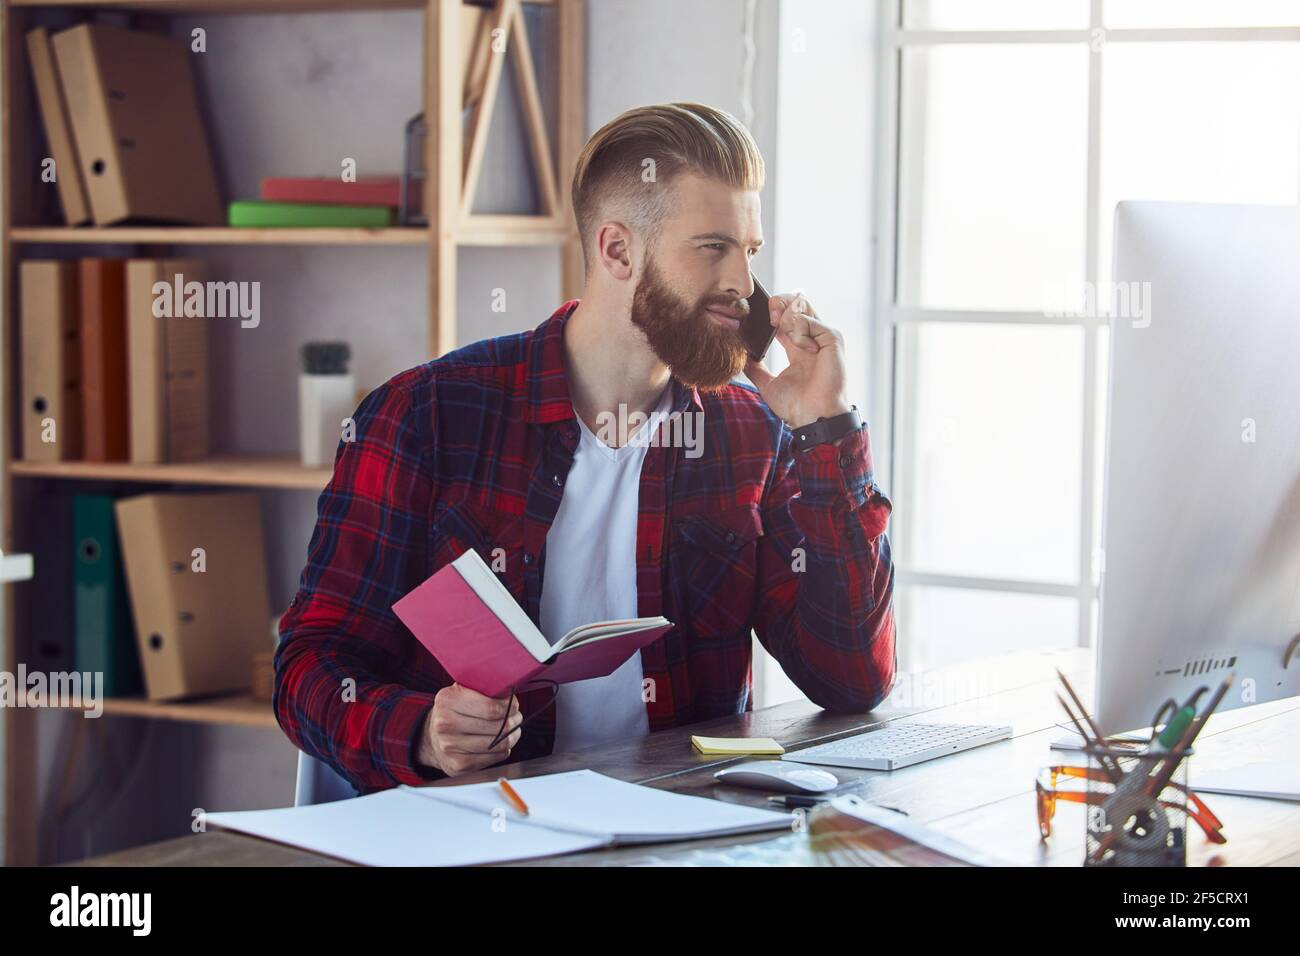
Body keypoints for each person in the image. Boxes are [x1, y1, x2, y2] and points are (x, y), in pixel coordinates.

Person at [275, 102, 896, 791]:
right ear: (617, 250)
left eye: (749, 252)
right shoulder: (427, 415)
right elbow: (310, 662)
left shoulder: (751, 433)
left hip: (680, 828)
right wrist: (421, 729)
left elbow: (852, 679)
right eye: (713, 248)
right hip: (481, 834)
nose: (745, 289)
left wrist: (826, 428)